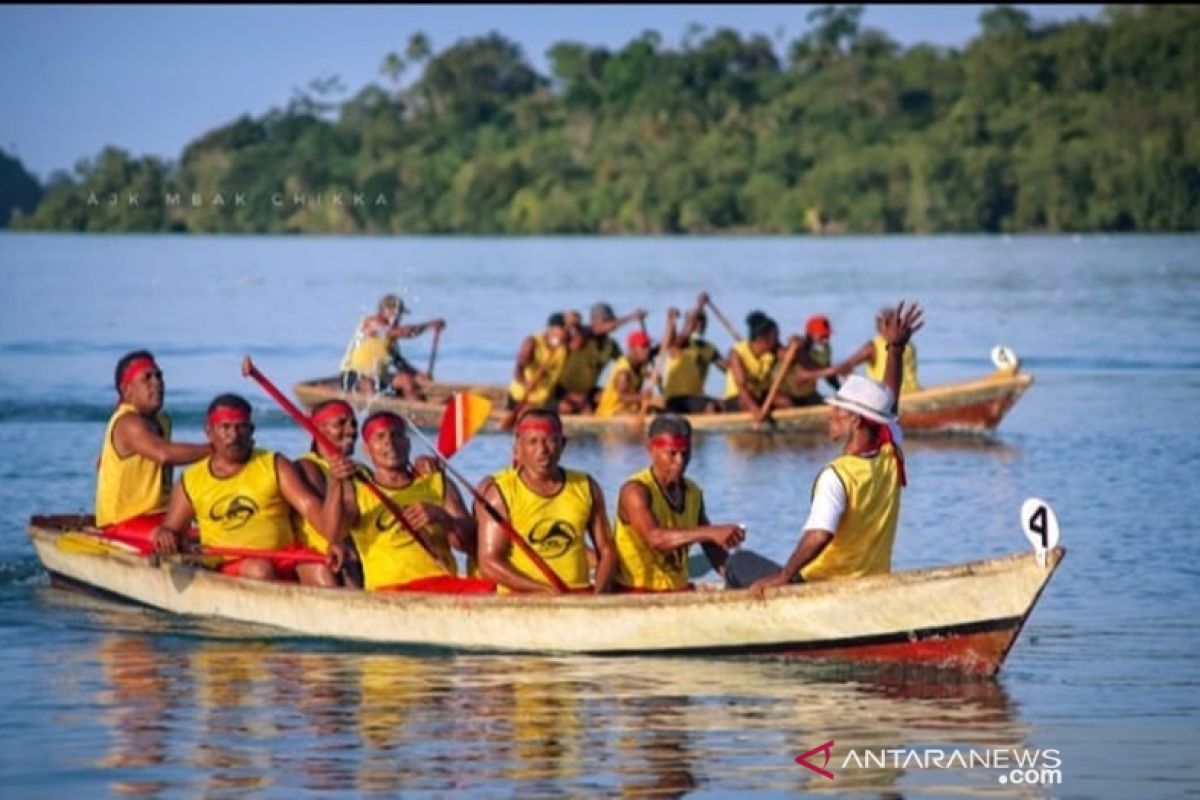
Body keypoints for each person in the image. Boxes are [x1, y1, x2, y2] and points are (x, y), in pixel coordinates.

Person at [735, 302, 924, 593]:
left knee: (739, 563)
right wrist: (895, 350)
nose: (830, 416)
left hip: (821, 584)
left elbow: (819, 535)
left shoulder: (836, 475)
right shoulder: (890, 452)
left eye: (839, 411)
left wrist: (784, 576)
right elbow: (889, 401)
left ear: (858, 421)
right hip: (869, 582)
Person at [152, 394, 355, 585]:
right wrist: (166, 535)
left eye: (241, 427)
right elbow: (172, 529)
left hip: (285, 556)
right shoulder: (191, 480)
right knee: (260, 570)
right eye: (225, 427)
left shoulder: (274, 464)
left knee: (322, 570)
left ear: (252, 430)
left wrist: (335, 539)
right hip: (230, 564)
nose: (234, 435)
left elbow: (313, 511)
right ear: (209, 432)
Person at [325, 411, 484, 592]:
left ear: (408, 444)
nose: (389, 443)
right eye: (380, 437)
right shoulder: (357, 491)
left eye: (396, 435)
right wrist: (335, 481)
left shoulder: (437, 483)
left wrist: (443, 518)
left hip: (441, 586)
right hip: (389, 591)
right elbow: (333, 533)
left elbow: (471, 544)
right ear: (367, 450)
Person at [475, 408, 616, 593]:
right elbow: (489, 563)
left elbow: (606, 550)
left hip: (579, 596)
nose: (542, 450)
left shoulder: (586, 486)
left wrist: (599, 594)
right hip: (523, 598)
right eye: (533, 442)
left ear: (563, 444)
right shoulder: (500, 494)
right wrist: (543, 590)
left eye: (550, 440)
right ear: (518, 447)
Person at [612, 414, 745, 592]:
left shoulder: (693, 492)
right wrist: (711, 532)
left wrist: (741, 581)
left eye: (685, 453)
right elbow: (655, 538)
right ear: (651, 449)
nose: (680, 461)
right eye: (672, 453)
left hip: (678, 590)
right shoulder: (635, 491)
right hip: (636, 592)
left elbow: (712, 551)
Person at [94, 351, 211, 551]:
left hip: (161, 514)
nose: (157, 382)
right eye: (146, 378)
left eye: (159, 376)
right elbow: (164, 455)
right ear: (127, 390)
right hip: (123, 522)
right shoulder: (128, 422)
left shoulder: (163, 420)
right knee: (168, 541)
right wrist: (215, 449)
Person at [292, 399, 363, 586]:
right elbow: (333, 529)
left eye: (354, 424)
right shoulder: (306, 467)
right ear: (318, 429)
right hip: (321, 554)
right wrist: (337, 481)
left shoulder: (362, 471)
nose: (351, 431)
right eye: (340, 424)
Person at [339, 294, 446, 400]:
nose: (399, 318)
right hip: (353, 375)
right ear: (385, 311)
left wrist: (418, 374)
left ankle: (418, 414)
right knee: (368, 385)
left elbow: (398, 361)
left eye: (400, 315)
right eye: (396, 314)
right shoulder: (371, 323)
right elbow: (405, 332)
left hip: (378, 377)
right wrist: (429, 325)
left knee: (406, 381)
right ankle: (375, 411)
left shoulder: (392, 337)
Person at [555, 303, 647, 414]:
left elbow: (627, 361)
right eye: (605, 321)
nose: (609, 325)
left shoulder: (611, 345)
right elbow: (599, 329)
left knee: (591, 407)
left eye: (609, 320)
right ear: (593, 321)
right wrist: (631, 317)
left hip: (587, 394)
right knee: (567, 408)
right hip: (565, 392)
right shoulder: (582, 335)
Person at [662, 292, 727, 414]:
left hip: (696, 398)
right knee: (710, 407)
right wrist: (700, 305)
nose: (699, 325)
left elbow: (728, 368)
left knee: (724, 405)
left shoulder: (708, 348)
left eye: (702, 321)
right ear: (687, 324)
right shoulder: (679, 344)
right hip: (677, 399)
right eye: (696, 321)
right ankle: (705, 431)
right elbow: (686, 332)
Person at [722, 311, 791, 416]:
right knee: (748, 402)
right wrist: (755, 410)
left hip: (760, 394)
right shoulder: (736, 354)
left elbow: (789, 356)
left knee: (785, 402)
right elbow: (742, 387)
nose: (778, 342)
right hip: (737, 397)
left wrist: (797, 343)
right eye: (775, 338)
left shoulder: (772, 351)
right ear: (763, 339)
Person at [841, 306, 922, 395]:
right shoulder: (874, 346)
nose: (882, 325)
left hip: (910, 393)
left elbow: (845, 367)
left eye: (887, 322)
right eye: (879, 322)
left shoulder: (906, 342)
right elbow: (846, 367)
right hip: (885, 397)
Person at [507, 313, 569, 413]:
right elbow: (518, 369)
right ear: (550, 329)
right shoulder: (532, 342)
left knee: (568, 408)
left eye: (565, 331)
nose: (564, 334)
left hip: (543, 399)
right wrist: (525, 383)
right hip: (522, 398)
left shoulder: (562, 348)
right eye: (561, 330)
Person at [783, 315, 845, 406]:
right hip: (790, 393)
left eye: (827, 335)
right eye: (822, 336)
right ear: (811, 334)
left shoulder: (825, 349)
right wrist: (833, 370)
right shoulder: (800, 347)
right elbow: (809, 367)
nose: (825, 339)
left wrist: (841, 391)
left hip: (808, 393)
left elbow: (830, 377)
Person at [595, 330, 655, 417]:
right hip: (611, 414)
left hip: (626, 409)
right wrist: (642, 396)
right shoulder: (623, 372)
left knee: (657, 411)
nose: (647, 350)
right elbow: (623, 397)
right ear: (632, 348)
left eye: (648, 346)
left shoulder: (638, 366)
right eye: (644, 346)